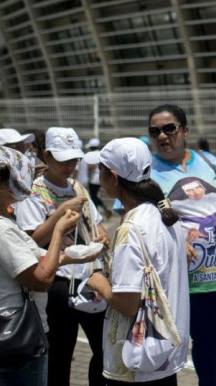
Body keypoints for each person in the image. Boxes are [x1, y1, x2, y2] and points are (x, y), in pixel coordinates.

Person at [0, 145, 84, 386]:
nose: (21, 184)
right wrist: (58, 232)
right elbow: (41, 281)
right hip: (17, 338)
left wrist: (64, 258)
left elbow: (12, 263)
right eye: (14, 178)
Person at [146, 104, 216, 386]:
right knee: (169, 344)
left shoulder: (210, 162)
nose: (162, 136)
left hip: (214, 277)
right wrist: (175, 237)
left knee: (207, 341)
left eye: (169, 128)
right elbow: (134, 218)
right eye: (155, 131)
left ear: (184, 131)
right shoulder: (146, 171)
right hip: (171, 280)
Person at [84, 137, 190, 384]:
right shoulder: (162, 215)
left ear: (112, 175)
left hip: (138, 363)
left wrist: (98, 281)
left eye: (100, 171)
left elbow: (128, 303)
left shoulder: (133, 228)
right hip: (163, 354)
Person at [14, 127, 110, 386]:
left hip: (90, 278)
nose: (70, 165)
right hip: (56, 281)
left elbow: (97, 225)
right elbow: (32, 241)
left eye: (74, 159)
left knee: (105, 350)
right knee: (60, 355)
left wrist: (102, 238)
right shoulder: (33, 192)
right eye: (63, 159)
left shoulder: (78, 187)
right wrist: (59, 214)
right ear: (47, 156)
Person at [80, 139, 112, 219]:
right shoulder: (101, 153)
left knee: (93, 196)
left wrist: (84, 165)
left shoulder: (92, 155)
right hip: (99, 179)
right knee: (94, 196)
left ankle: (96, 213)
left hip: (93, 180)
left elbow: (92, 167)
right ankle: (104, 209)